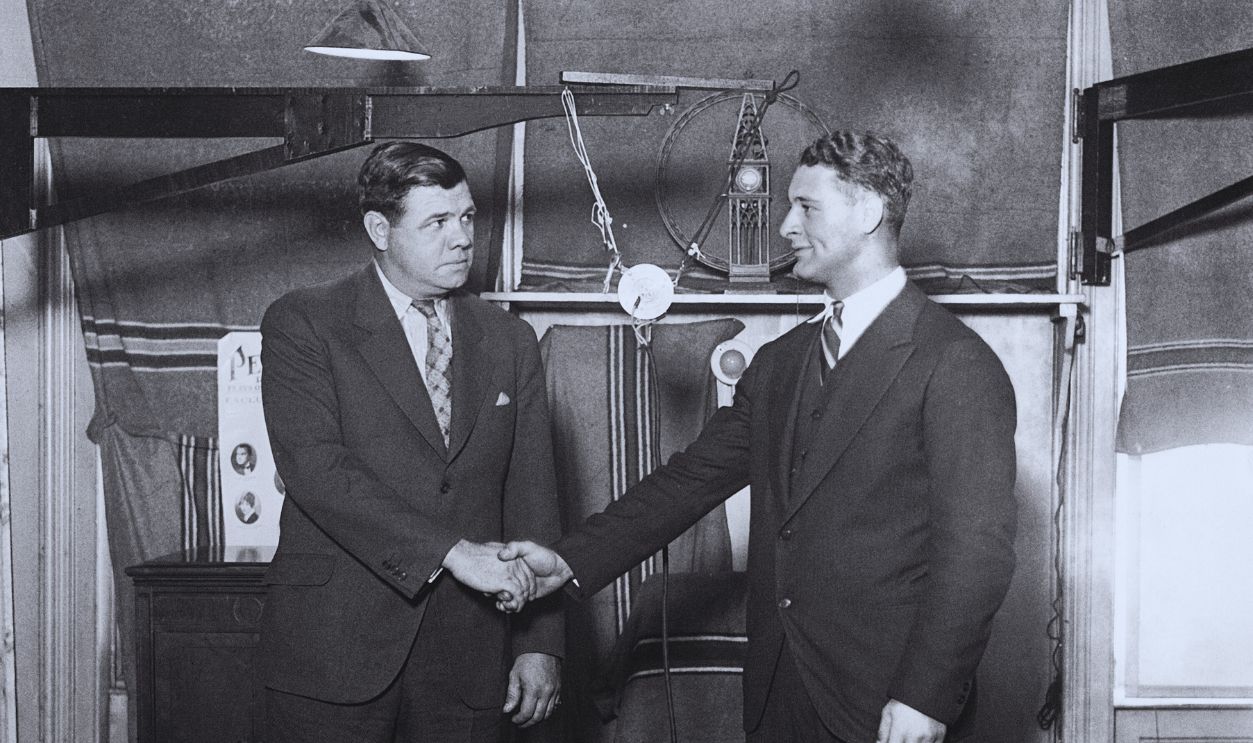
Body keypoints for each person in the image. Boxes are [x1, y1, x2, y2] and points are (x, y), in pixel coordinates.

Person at [497, 131, 1018, 743]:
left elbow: (976, 554)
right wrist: (568, 561)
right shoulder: (780, 363)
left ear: (869, 213)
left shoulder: (954, 362)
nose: (786, 227)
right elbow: (688, 482)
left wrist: (924, 698)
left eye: (807, 207)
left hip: (889, 703)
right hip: (777, 695)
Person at [259, 141, 562, 742]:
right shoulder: (305, 323)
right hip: (332, 653)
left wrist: (541, 644)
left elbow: (533, 495)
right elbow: (318, 473)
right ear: (380, 230)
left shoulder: (510, 340)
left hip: (469, 661)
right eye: (437, 222)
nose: (462, 238)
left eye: (467, 217)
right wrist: (455, 553)